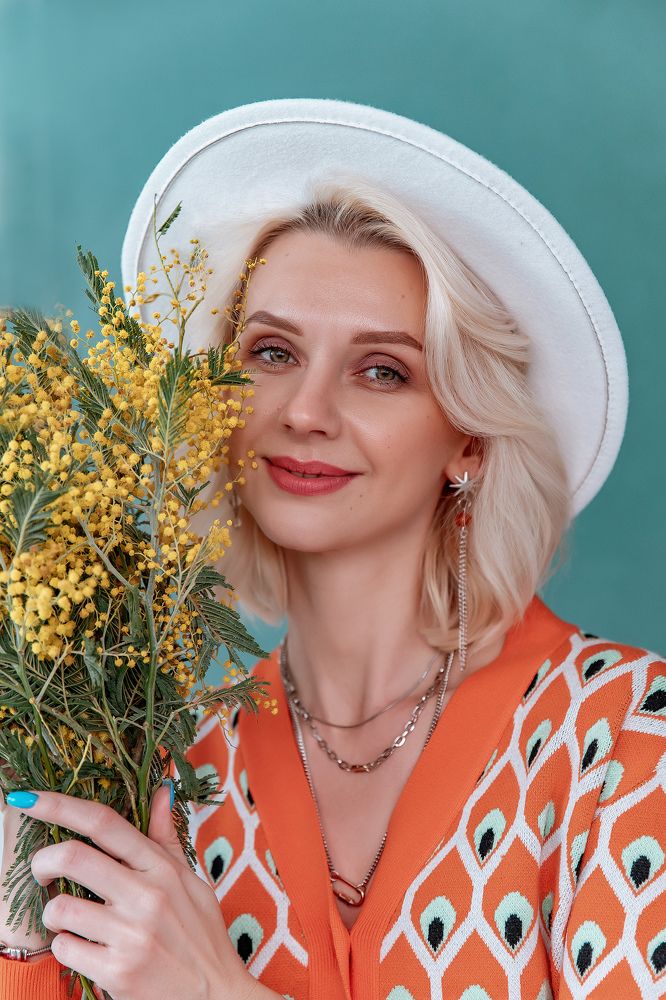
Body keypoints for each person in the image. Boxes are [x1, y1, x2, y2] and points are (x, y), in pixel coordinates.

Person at [1, 98, 664, 999]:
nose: (306, 411)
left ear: (470, 440)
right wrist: (24, 929)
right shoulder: (175, 765)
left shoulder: (624, 737)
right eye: (272, 353)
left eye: (381, 370)